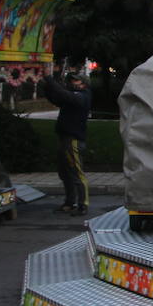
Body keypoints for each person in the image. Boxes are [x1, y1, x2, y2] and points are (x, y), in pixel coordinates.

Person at [42, 70, 91, 215]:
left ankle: (83, 204)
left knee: (76, 173)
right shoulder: (73, 96)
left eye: (75, 81)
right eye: (71, 81)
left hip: (73, 140)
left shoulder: (83, 96)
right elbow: (56, 98)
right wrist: (46, 86)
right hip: (64, 138)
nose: (72, 83)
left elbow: (64, 95)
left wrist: (49, 79)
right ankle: (70, 202)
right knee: (65, 172)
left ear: (83, 84)